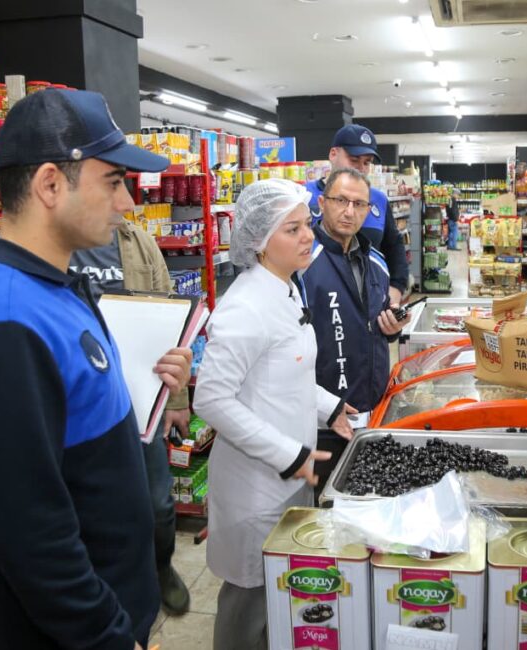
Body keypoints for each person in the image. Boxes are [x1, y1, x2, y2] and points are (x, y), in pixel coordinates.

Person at [0, 89, 192, 649]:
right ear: (51, 184)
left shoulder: (56, 289)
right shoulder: (3, 323)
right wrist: (107, 635)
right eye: (113, 181)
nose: (126, 203)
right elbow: (31, 534)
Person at [192, 179, 354, 650]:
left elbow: (287, 375)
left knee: (279, 595)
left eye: (307, 225)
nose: (309, 236)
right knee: (248, 605)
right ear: (261, 242)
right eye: (293, 228)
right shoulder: (245, 307)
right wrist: (290, 455)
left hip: (291, 474)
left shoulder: (285, 289)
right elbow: (212, 401)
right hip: (255, 488)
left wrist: (332, 407)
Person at [68, 219, 193, 614]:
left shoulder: (136, 241)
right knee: (89, 506)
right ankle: (103, 589)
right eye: (112, 182)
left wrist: (175, 400)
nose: (123, 200)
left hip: (140, 395)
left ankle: (161, 567)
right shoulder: (55, 244)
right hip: (81, 400)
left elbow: (169, 317)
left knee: (157, 501)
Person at [301, 168, 411, 491]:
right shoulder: (304, 263)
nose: (350, 211)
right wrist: (323, 406)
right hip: (324, 420)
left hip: (371, 411)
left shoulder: (375, 260)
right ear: (322, 203)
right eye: (341, 201)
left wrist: (391, 327)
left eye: (359, 204)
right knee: (325, 507)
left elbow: (372, 325)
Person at [305, 125, 409, 305]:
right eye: (354, 160)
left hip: (368, 301)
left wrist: (396, 288)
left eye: (367, 162)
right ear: (333, 154)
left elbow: (394, 246)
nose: (361, 168)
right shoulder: (302, 196)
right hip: (317, 303)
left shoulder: (378, 199)